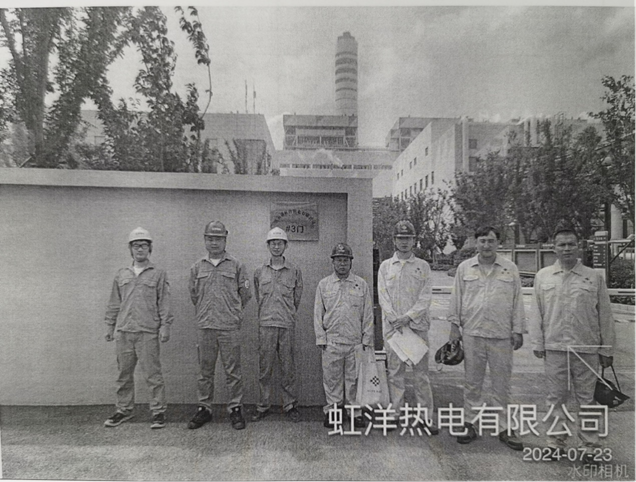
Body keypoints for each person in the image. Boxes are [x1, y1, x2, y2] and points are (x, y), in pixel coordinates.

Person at [530, 227, 615, 461]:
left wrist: (606, 348)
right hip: (555, 347)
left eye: (571, 244)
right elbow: (536, 312)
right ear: (554, 248)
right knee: (555, 397)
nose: (566, 248)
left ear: (579, 246)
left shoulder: (593, 277)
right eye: (562, 244)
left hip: (586, 347)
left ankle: (590, 447)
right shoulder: (543, 276)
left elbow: (605, 314)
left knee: (587, 399)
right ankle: (555, 443)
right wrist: (538, 342)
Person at [447, 226, 526, 449]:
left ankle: (505, 427)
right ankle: (470, 423)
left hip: (501, 335)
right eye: (482, 241)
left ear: (498, 243)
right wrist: (454, 328)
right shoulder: (465, 268)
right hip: (473, 334)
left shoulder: (510, 269)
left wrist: (518, 329)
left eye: (491, 241)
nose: (486, 245)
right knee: (472, 383)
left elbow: (517, 300)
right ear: (476, 243)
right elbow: (456, 298)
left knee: (502, 384)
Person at [104, 227, 173, 429]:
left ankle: (158, 412)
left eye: (143, 245)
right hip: (124, 331)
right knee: (123, 374)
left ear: (150, 248)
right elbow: (114, 302)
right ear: (130, 249)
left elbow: (164, 302)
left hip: (147, 331)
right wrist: (110, 326)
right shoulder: (121, 274)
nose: (140, 249)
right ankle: (123, 410)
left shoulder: (158, 274)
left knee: (153, 374)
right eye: (136, 245)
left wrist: (165, 326)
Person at [187, 221, 252, 430]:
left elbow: (245, 294)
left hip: (229, 327)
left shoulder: (236, 265)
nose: (214, 242)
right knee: (204, 371)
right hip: (206, 326)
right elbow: (194, 295)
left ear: (225, 240)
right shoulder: (197, 267)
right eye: (210, 238)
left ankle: (235, 408)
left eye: (218, 238)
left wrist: (232, 313)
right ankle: (204, 408)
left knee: (233, 372)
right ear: (205, 240)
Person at [377, 220, 438, 434]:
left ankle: (425, 417)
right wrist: (395, 319)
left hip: (417, 327)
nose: (404, 242)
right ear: (394, 240)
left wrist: (408, 317)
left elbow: (426, 297)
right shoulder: (386, 266)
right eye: (400, 238)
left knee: (421, 375)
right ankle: (395, 413)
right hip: (395, 329)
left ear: (414, 241)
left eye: (408, 238)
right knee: (395, 373)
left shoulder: (422, 266)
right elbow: (383, 296)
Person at [314, 243, 374, 429]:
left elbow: (368, 314)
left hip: (355, 342)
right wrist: (321, 338)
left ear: (351, 262)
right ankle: (334, 412)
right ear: (333, 262)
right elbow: (317, 313)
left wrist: (366, 340)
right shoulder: (324, 285)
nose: (342, 264)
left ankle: (355, 412)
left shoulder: (361, 284)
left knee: (354, 380)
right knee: (332, 380)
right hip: (332, 342)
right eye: (339, 260)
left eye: (345, 260)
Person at [251, 227, 303, 422]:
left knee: (288, 368)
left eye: (279, 243)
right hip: (266, 324)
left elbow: (297, 298)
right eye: (273, 243)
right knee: (264, 368)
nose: (276, 246)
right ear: (268, 246)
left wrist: (287, 313)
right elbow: (258, 296)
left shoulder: (295, 271)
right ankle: (263, 405)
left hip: (286, 325)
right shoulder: (259, 272)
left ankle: (290, 405)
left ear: (285, 246)